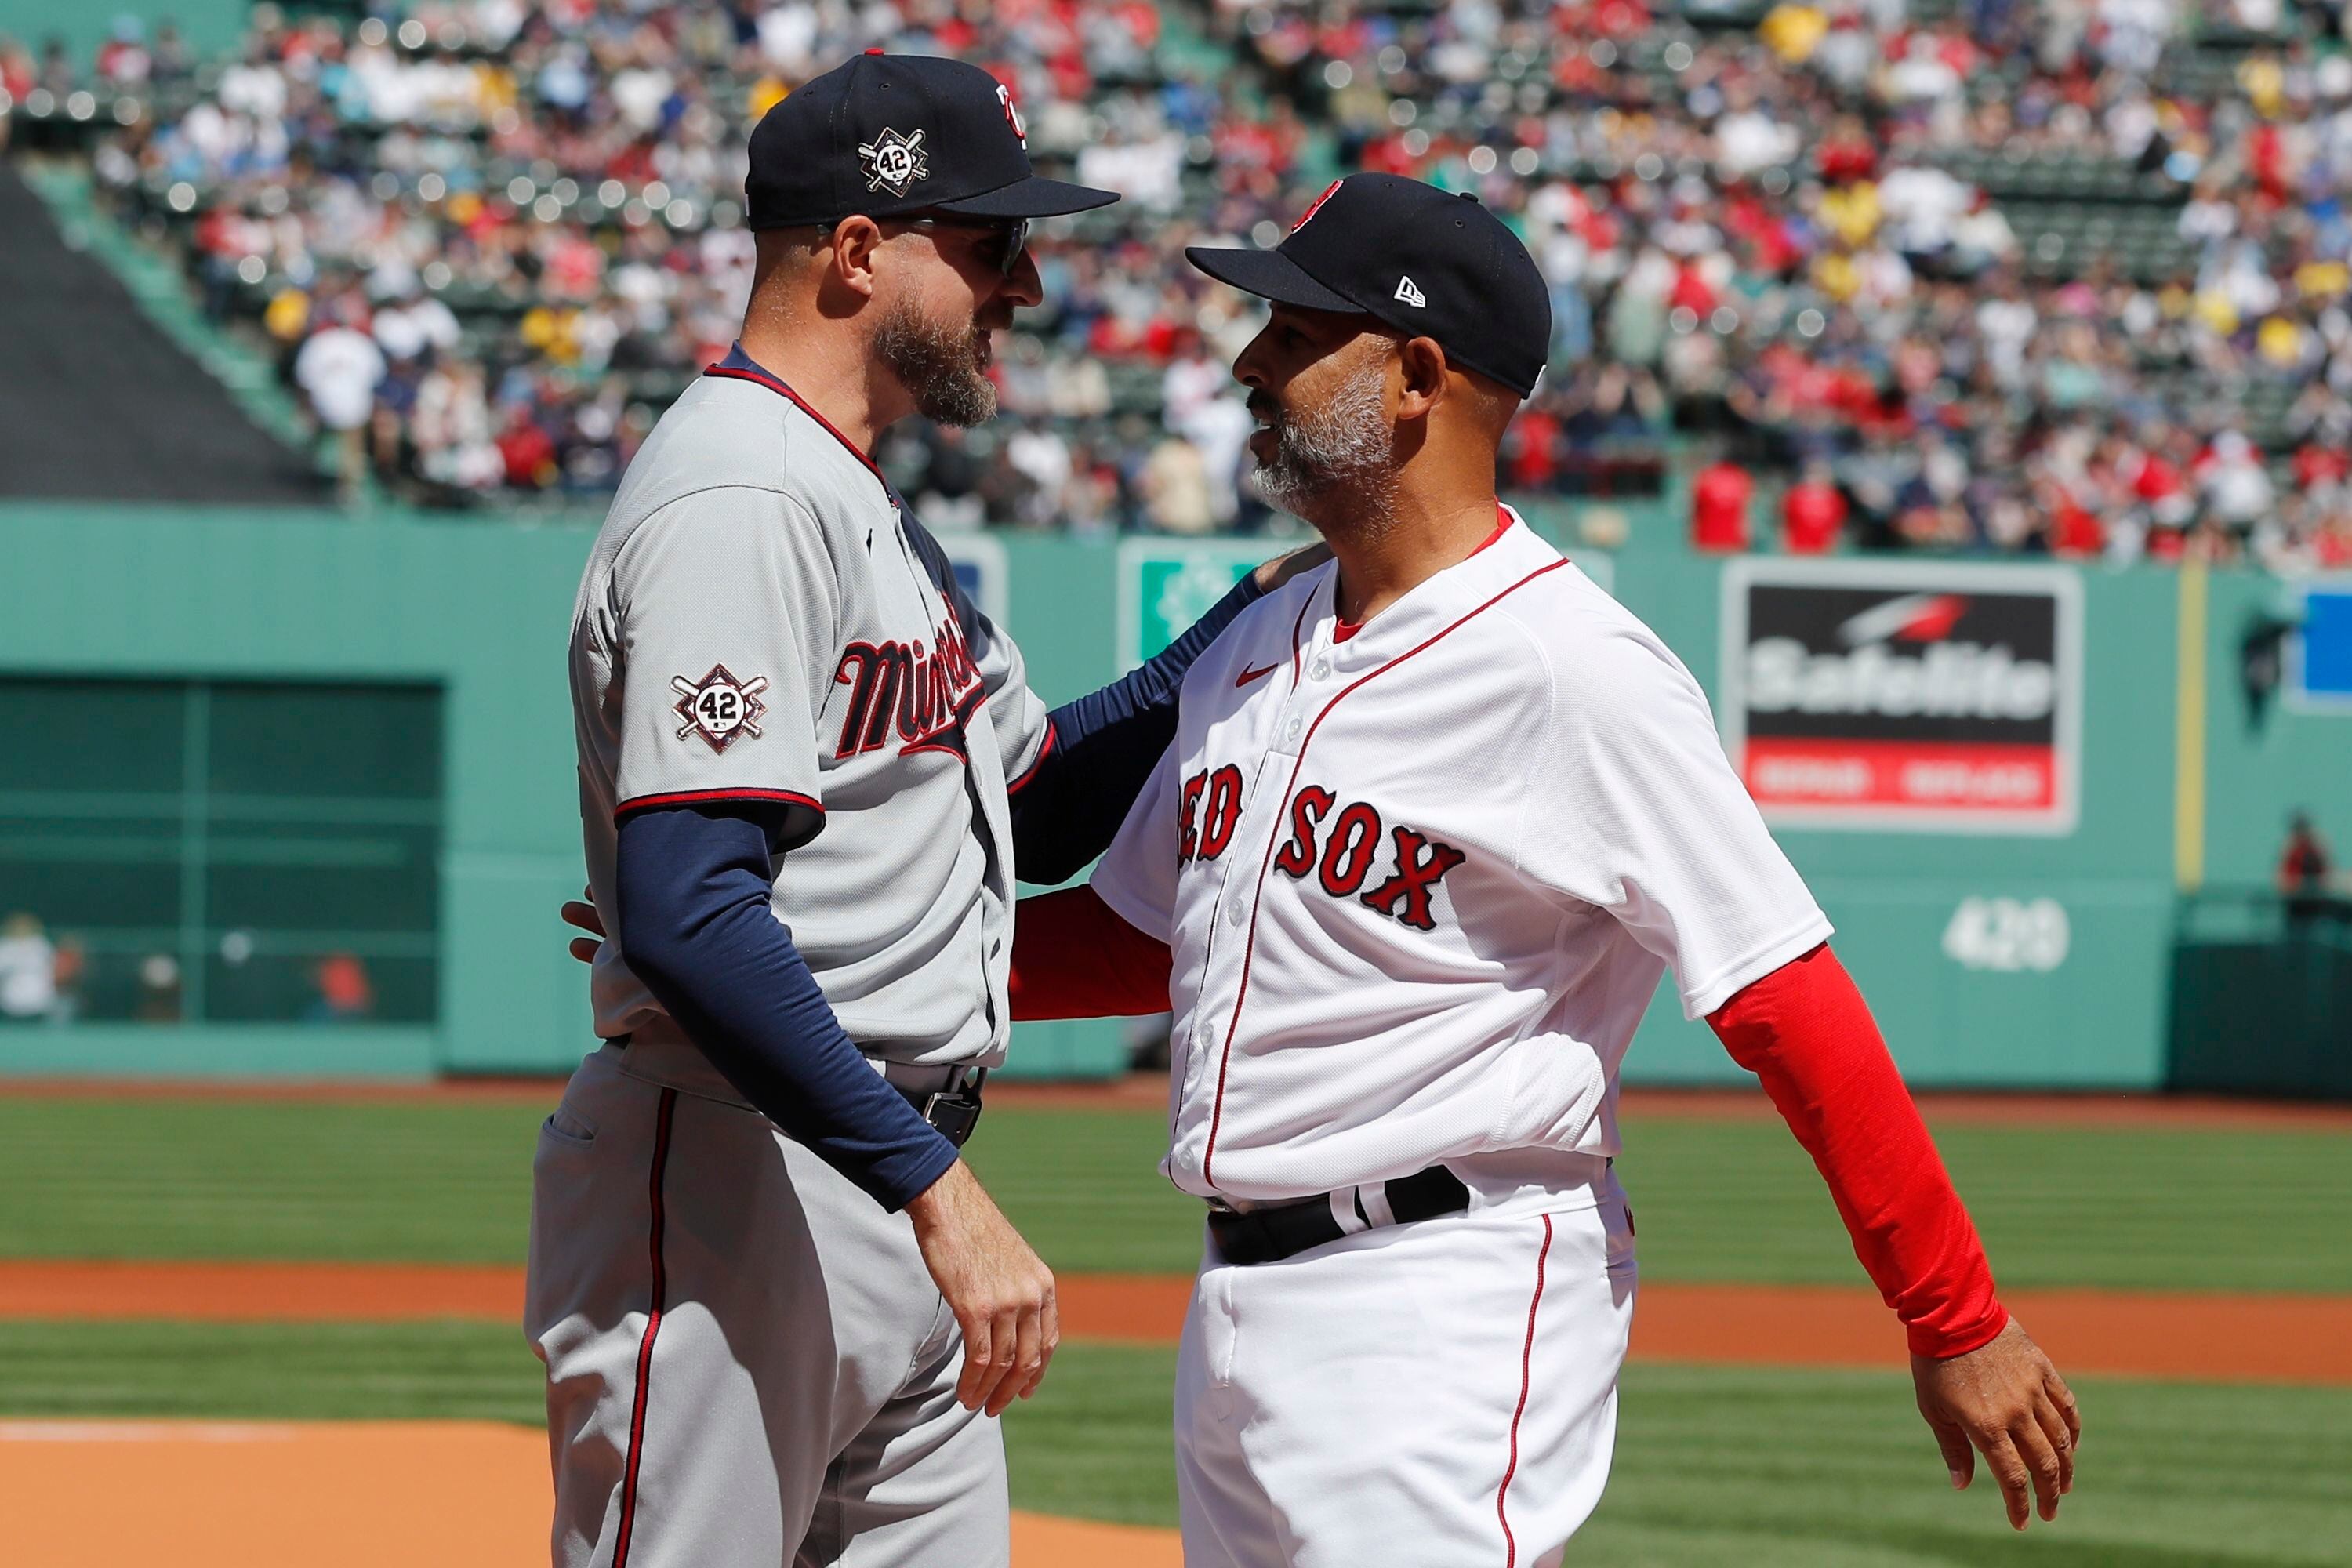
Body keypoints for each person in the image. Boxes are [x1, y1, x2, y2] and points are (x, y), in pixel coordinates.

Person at [1004, 173, 2081, 1566]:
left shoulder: (1575, 666)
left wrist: (1956, 1317)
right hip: (1232, 1302)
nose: (1248, 363)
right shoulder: (1260, 638)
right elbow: (1151, 936)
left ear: (1417, 375)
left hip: (1441, 1296)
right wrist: (839, 976)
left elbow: (1784, 997)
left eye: (1291, 329)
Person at [532, 53, 1316, 1568]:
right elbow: (692, 911)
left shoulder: (859, 497)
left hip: (874, 1161)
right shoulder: (741, 497)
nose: (1024, 285)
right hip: (742, 1181)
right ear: (853, 253)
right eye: (988, 244)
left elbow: (1037, 796)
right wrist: (939, 1198)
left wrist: (1242, 626)